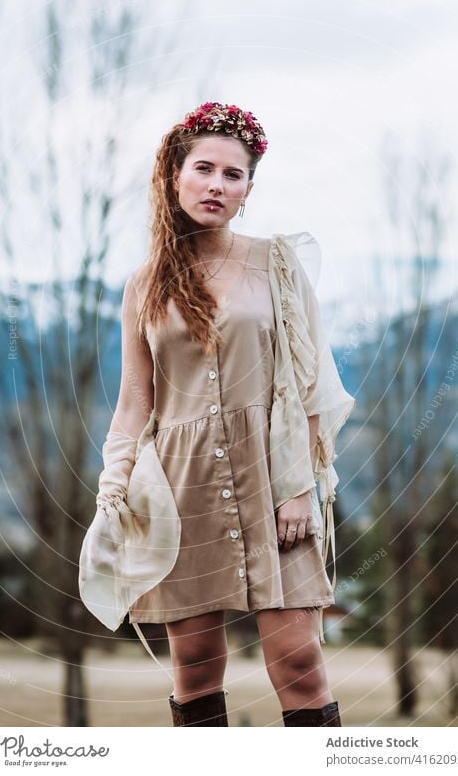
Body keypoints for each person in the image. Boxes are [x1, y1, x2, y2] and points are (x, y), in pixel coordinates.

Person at [79, 101, 355, 727]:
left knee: (298, 665)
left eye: (234, 176)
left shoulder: (278, 266)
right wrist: (113, 488)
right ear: (174, 176)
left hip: (273, 478)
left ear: (247, 190)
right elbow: (134, 402)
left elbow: (310, 387)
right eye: (204, 169)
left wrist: (299, 491)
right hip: (180, 488)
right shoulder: (145, 283)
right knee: (196, 668)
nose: (216, 185)